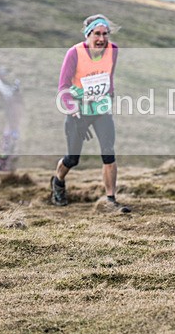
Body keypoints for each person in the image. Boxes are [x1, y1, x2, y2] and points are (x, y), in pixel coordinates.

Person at [50, 14, 129, 213]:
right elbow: (63, 87)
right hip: (78, 112)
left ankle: (111, 199)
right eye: (97, 34)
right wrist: (72, 108)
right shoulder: (74, 53)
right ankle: (58, 182)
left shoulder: (113, 50)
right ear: (88, 34)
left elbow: (108, 75)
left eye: (105, 34)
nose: (101, 38)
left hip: (101, 110)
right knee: (72, 158)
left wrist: (109, 95)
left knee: (108, 153)